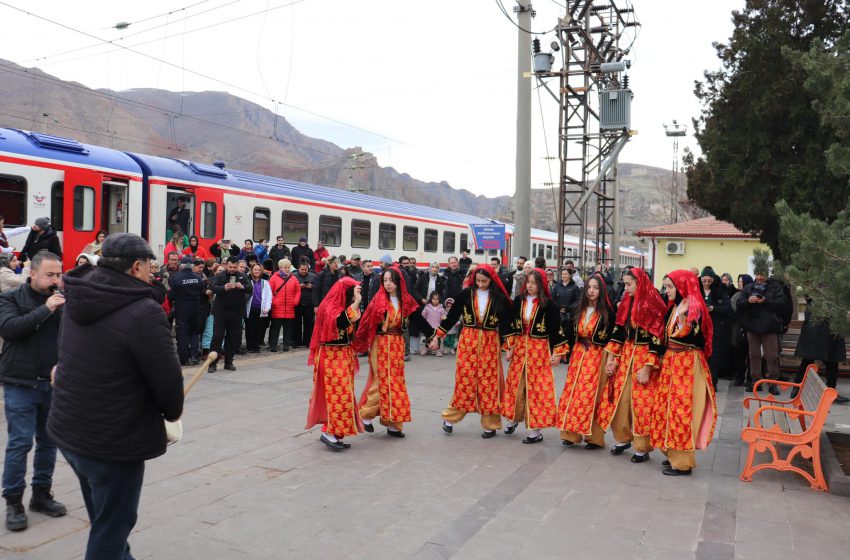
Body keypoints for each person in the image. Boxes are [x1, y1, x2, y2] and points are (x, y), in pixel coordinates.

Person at [47, 234, 183, 559]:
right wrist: (171, 411)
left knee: (103, 513)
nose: (153, 272)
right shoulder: (144, 311)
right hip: (112, 441)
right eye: (150, 265)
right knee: (113, 524)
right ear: (136, 267)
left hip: (70, 432)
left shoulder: (80, 293)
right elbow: (169, 389)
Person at [1, 252, 66, 532]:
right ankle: (13, 501)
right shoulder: (11, 298)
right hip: (20, 382)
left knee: (49, 441)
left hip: (52, 384)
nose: (56, 280)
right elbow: (10, 329)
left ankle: (41, 493)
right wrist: (46, 309)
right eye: (50, 275)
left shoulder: (65, 301)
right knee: (20, 443)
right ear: (33, 274)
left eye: (59, 274)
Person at [431, 265, 513, 437]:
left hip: (490, 342)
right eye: (478, 281)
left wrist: (509, 346)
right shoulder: (466, 294)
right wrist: (437, 336)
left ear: (491, 280)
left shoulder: (499, 298)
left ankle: (490, 424)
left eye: (484, 281)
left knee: (489, 383)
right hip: (468, 341)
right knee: (465, 381)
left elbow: (506, 323)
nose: (481, 284)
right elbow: (452, 316)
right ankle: (450, 418)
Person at [651, 270, 718, 476]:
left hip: (687, 364)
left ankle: (682, 462)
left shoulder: (694, 307)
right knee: (668, 407)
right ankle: (672, 453)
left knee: (682, 410)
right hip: (674, 363)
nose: (666, 291)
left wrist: (682, 317)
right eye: (666, 286)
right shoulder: (676, 307)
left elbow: (693, 338)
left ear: (681, 286)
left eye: (670, 287)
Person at [354, 267, 435, 438]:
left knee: (396, 383)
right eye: (385, 280)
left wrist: (433, 336)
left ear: (399, 282)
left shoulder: (406, 300)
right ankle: (365, 414)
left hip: (397, 344)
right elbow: (366, 322)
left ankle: (393, 424)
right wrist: (356, 342)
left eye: (391, 280)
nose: (388, 284)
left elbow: (418, 319)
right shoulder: (378, 300)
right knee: (382, 380)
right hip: (380, 343)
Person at [597, 267, 666, 464]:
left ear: (640, 282)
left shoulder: (654, 304)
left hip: (644, 358)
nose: (625, 288)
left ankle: (642, 446)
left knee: (642, 404)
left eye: (629, 284)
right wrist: (612, 358)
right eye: (624, 284)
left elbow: (657, 338)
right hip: (626, 356)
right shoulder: (626, 302)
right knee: (619, 399)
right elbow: (618, 331)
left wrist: (648, 367)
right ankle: (622, 438)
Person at [502, 269, 569, 443]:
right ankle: (513, 418)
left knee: (538, 390)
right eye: (528, 283)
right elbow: (511, 325)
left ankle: (536, 430)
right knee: (515, 385)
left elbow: (556, 330)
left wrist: (557, 353)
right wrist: (509, 347)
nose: (530, 286)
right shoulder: (518, 301)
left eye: (534, 283)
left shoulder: (549, 305)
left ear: (541, 285)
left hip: (539, 351)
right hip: (520, 349)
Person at [557, 273, 616, 449]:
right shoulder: (579, 309)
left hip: (596, 356)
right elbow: (568, 332)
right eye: (589, 287)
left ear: (602, 290)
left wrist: (611, 359)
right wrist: (561, 351)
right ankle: (570, 434)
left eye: (596, 288)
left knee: (592, 395)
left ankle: (594, 438)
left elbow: (613, 338)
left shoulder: (608, 313)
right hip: (578, 355)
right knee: (572, 393)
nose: (591, 291)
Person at [306, 277, 363, 450]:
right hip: (331, 357)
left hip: (343, 356)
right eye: (354, 291)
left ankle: (335, 433)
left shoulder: (341, 307)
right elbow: (341, 322)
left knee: (344, 396)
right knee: (337, 397)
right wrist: (357, 302)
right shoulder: (329, 307)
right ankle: (328, 432)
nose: (356, 295)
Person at [736, 266, 789, 395]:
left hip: (770, 327)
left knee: (772, 356)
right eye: (758, 274)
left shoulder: (775, 287)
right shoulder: (748, 288)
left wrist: (765, 301)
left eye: (762, 275)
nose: (759, 277)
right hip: (752, 327)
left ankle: (773, 383)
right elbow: (739, 303)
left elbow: (781, 305)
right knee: (754, 355)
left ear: (767, 275)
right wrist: (748, 301)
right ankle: (756, 382)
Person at [791, 297, 849, 403]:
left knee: (822, 361)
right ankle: (798, 389)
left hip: (824, 329)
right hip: (821, 328)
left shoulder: (817, 291)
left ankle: (797, 389)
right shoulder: (818, 290)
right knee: (822, 361)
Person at [209, 256, 250, 372]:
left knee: (233, 338)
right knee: (217, 337)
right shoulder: (220, 275)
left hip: (236, 312)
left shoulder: (242, 276)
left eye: (234, 267)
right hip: (221, 312)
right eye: (230, 267)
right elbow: (212, 287)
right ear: (226, 265)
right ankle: (212, 364)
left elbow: (250, 288)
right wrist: (223, 288)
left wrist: (242, 286)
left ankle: (229, 362)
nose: (232, 269)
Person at [700, 266, 734, 387]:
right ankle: (701, 381)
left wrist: (714, 308)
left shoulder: (720, 290)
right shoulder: (697, 289)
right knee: (700, 354)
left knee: (713, 355)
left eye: (709, 281)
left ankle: (713, 381)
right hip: (700, 327)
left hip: (715, 328)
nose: (707, 284)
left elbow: (727, 308)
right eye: (704, 281)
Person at [169, 256, 205, 366]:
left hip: (181, 309)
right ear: (192, 266)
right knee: (194, 332)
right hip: (195, 309)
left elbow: (171, 296)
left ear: (181, 265)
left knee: (182, 333)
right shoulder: (198, 278)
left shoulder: (175, 278)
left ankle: (184, 358)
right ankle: (194, 356)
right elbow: (201, 292)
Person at [268, 259, 301, 352]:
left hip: (290, 307)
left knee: (288, 328)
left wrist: (295, 301)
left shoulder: (293, 278)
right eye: (285, 267)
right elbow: (269, 291)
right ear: (280, 268)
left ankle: (286, 345)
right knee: (275, 328)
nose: (287, 269)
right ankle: (273, 345)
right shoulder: (274, 278)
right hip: (277, 307)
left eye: (288, 267)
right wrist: (274, 302)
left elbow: (298, 291)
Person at [244, 262, 272, 353]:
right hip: (250, 308)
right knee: (249, 328)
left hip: (260, 309)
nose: (257, 271)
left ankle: (256, 346)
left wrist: (267, 308)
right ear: (252, 270)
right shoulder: (248, 281)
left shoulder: (265, 282)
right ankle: (250, 346)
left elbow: (269, 296)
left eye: (259, 270)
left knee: (258, 328)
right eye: (255, 269)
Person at [731, 274, 753, 387]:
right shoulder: (736, 296)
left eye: (741, 281)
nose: (739, 283)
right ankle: (739, 376)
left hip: (750, 328)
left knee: (750, 354)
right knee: (739, 353)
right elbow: (734, 309)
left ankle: (750, 377)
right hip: (738, 327)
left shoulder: (752, 295)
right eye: (738, 281)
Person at [552, 267, 581, 339]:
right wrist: (558, 308)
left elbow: (578, 301)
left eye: (565, 274)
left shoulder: (575, 287)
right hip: (558, 315)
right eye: (562, 274)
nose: (563, 276)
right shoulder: (557, 286)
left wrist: (568, 308)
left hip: (570, 316)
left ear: (570, 275)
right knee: (558, 334)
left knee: (569, 335)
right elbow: (552, 299)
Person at [293, 261, 316, 349]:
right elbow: (291, 287)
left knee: (309, 324)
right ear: (298, 268)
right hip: (298, 303)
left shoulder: (313, 276)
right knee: (296, 324)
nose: (303, 271)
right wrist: (299, 286)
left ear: (308, 268)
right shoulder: (294, 276)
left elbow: (317, 287)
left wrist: (311, 286)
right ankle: (296, 342)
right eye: (302, 269)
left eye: (305, 269)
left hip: (309, 303)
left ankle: (308, 341)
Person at [420, 291, 446, 356]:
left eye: (437, 299)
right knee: (428, 339)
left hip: (437, 327)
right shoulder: (427, 307)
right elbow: (423, 316)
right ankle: (427, 349)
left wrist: (444, 317)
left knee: (437, 339)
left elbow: (444, 316)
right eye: (434, 299)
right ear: (431, 299)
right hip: (429, 327)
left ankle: (437, 350)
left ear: (439, 300)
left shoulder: (441, 308)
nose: (435, 301)